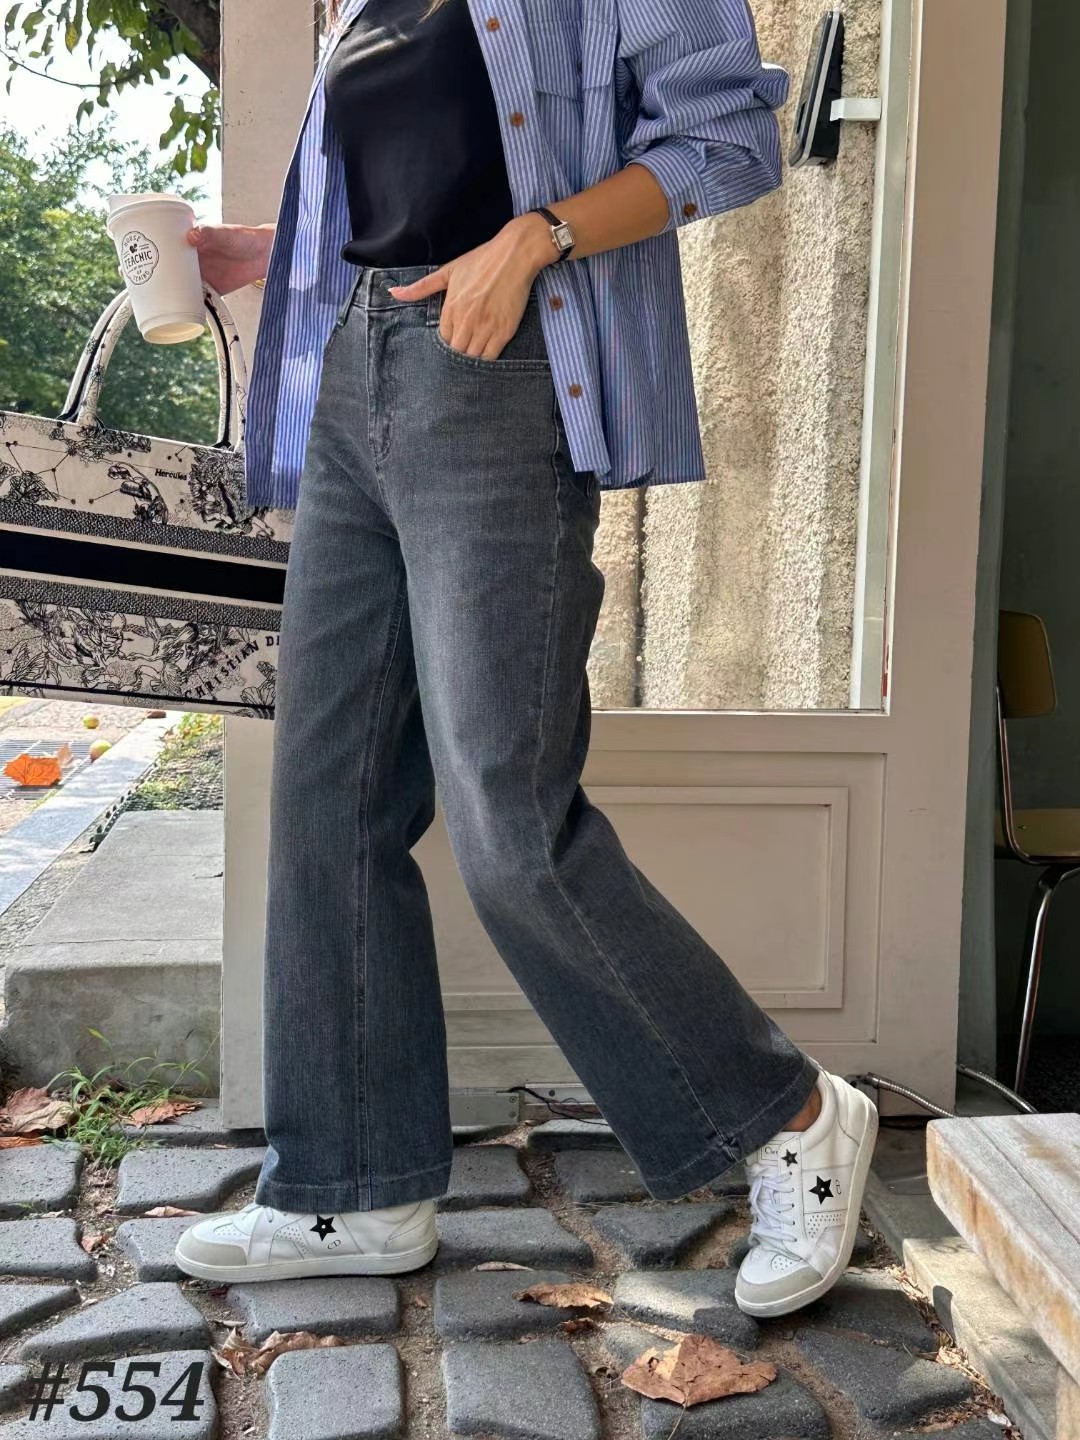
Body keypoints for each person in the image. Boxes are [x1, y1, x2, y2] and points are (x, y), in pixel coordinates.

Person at [173, 0, 879, 1318]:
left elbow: (728, 141)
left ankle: (788, 1113)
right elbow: (417, 191)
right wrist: (263, 250)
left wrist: (538, 235)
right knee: (328, 799)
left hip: (502, 380)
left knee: (509, 820)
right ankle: (352, 1185)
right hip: (352, 369)